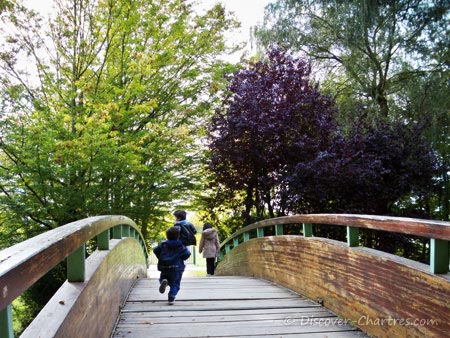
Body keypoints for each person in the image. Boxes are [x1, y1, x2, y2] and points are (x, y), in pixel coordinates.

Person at [153, 226, 191, 305]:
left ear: (167, 235)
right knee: (175, 284)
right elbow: (187, 254)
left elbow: (155, 250)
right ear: (178, 236)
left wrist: (160, 257)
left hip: (164, 267)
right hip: (176, 268)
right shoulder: (181, 246)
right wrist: (182, 258)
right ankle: (171, 297)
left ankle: (164, 282)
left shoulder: (163, 245)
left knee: (163, 277)